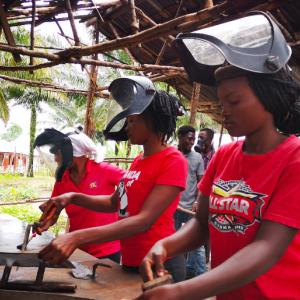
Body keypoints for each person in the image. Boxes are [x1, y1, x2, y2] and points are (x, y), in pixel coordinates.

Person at [136, 12, 300, 299]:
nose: (224, 110)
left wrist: (181, 292)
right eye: (221, 101)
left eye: (234, 101)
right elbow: (201, 224)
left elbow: (266, 249)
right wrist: (166, 245)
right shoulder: (225, 156)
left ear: (269, 97)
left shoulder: (294, 160)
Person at [35, 76, 188, 282]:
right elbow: (114, 203)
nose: (127, 127)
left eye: (132, 121)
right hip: (133, 259)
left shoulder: (173, 160)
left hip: (161, 262)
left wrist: (77, 236)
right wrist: (71, 197)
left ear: (151, 121)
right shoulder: (138, 161)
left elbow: (144, 221)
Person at [34, 127, 124, 262]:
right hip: (77, 249)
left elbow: (132, 184)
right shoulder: (62, 181)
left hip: (108, 250)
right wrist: (46, 220)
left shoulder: (104, 170)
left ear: (71, 152)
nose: (55, 158)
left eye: (57, 152)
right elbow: (55, 210)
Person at [174, 125, 206, 278]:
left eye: (193, 139)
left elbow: (201, 183)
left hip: (189, 208)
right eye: (189, 138)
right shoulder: (172, 155)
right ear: (179, 137)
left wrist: (197, 201)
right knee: (171, 239)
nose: (192, 142)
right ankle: (174, 272)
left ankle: (201, 277)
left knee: (196, 245)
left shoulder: (197, 158)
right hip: (173, 207)